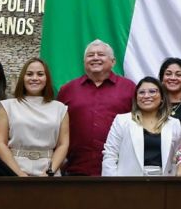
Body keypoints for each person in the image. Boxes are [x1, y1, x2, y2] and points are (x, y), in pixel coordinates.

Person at [57, 39, 135, 175]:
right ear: (83, 62)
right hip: (75, 170)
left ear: (113, 61)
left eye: (101, 54)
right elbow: (56, 128)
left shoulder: (129, 88)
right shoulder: (67, 90)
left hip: (119, 170)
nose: (95, 58)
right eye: (90, 55)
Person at [0, 58, 69, 177]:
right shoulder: (7, 106)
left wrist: (49, 172)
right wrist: (19, 173)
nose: (34, 78)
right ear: (23, 78)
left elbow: (63, 145)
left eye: (40, 74)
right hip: (14, 169)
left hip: (49, 169)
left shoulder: (60, 108)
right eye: (29, 74)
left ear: (47, 79)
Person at [102, 76, 181, 176]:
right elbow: (110, 155)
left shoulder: (174, 124)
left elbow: (178, 158)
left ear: (162, 98)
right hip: (128, 184)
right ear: (136, 98)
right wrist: (112, 186)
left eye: (152, 91)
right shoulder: (122, 121)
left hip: (164, 185)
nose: (146, 96)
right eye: (141, 92)